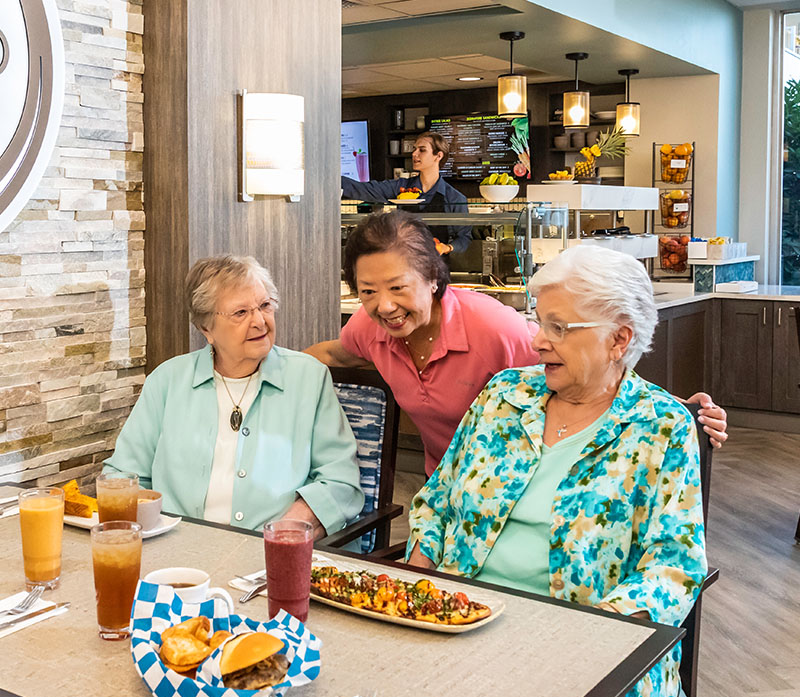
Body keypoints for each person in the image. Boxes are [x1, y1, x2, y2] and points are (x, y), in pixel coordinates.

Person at [406, 245, 707, 697]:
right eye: (539, 323)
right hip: (457, 623)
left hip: (583, 658)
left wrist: (592, 638)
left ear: (618, 340)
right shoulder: (504, 393)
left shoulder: (660, 426)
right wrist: (416, 583)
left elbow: (675, 564)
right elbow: (437, 501)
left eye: (559, 329)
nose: (538, 342)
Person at [306, 212, 728, 476]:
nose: (384, 306)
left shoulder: (493, 327)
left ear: (434, 278)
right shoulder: (370, 326)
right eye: (366, 292)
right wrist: (260, 366)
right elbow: (333, 355)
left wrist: (680, 410)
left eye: (398, 287)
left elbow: (593, 372)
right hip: (448, 487)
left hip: (520, 480)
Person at [105, 255, 364, 538]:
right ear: (206, 329)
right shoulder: (167, 381)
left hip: (272, 551)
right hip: (177, 552)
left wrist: (286, 533)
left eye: (265, 306)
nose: (259, 322)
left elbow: (340, 481)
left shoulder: (309, 379)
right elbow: (122, 476)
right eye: (240, 313)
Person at [341, 132, 471, 256]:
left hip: (438, 268)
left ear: (439, 156)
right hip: (403, 265)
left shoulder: (455, 198)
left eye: (422, 150)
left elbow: (465, 238)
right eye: (414, 149)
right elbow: (363, 189)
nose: (414, 154)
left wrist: (446, 247)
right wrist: (331, 178)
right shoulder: (401, 187)